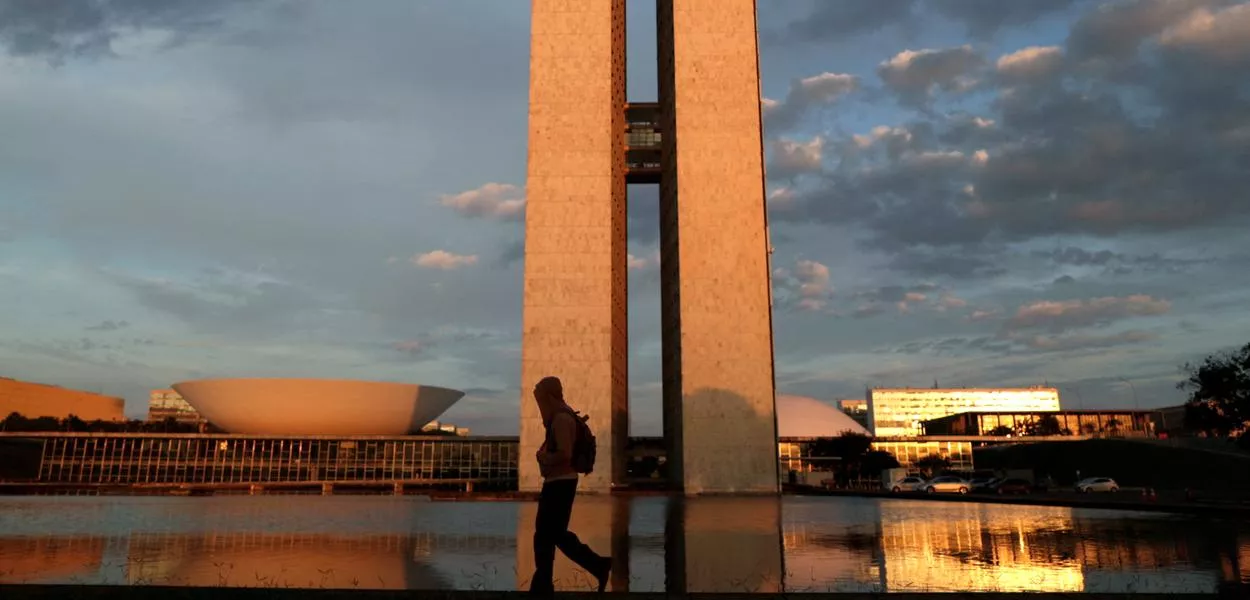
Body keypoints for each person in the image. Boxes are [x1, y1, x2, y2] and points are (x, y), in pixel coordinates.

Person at [529, 376, 611, 593]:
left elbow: (565, 454)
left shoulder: (561, 419)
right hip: (560, 482)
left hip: (560, 483)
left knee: (548, 535)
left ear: (548, 397)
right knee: (550, 535)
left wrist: (544, 458)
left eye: (540, 399)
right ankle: (545, 584)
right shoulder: (562, 416)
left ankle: (545, 584)